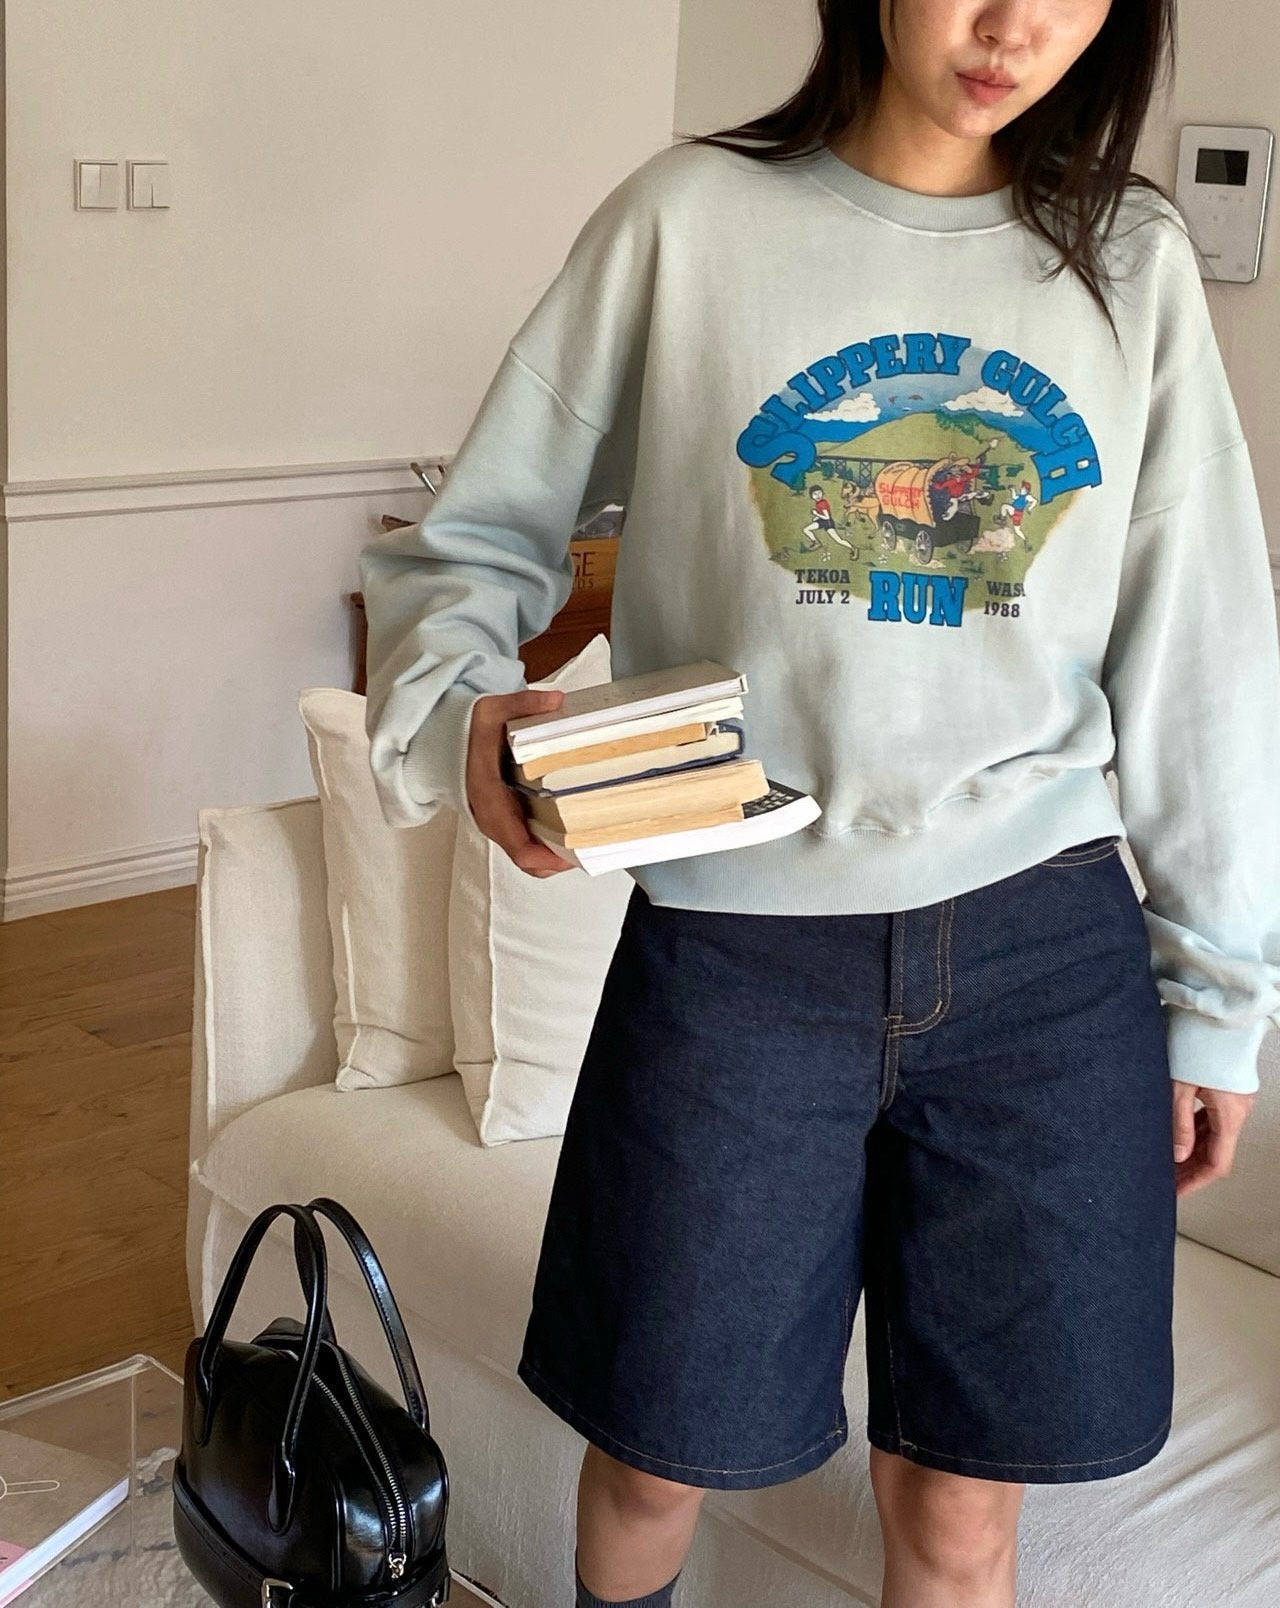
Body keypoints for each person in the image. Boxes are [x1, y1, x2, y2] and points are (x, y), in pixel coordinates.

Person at [358, 2, 1280, 1604]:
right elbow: (473, 539)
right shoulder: (685, 222)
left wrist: (1218, 995)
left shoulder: (1128, 260)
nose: (1016, 26)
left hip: (1047, 961)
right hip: (739, 954)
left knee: (963, 1511)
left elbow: (1197, 636)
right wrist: (465, 715)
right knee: (654, 1453)